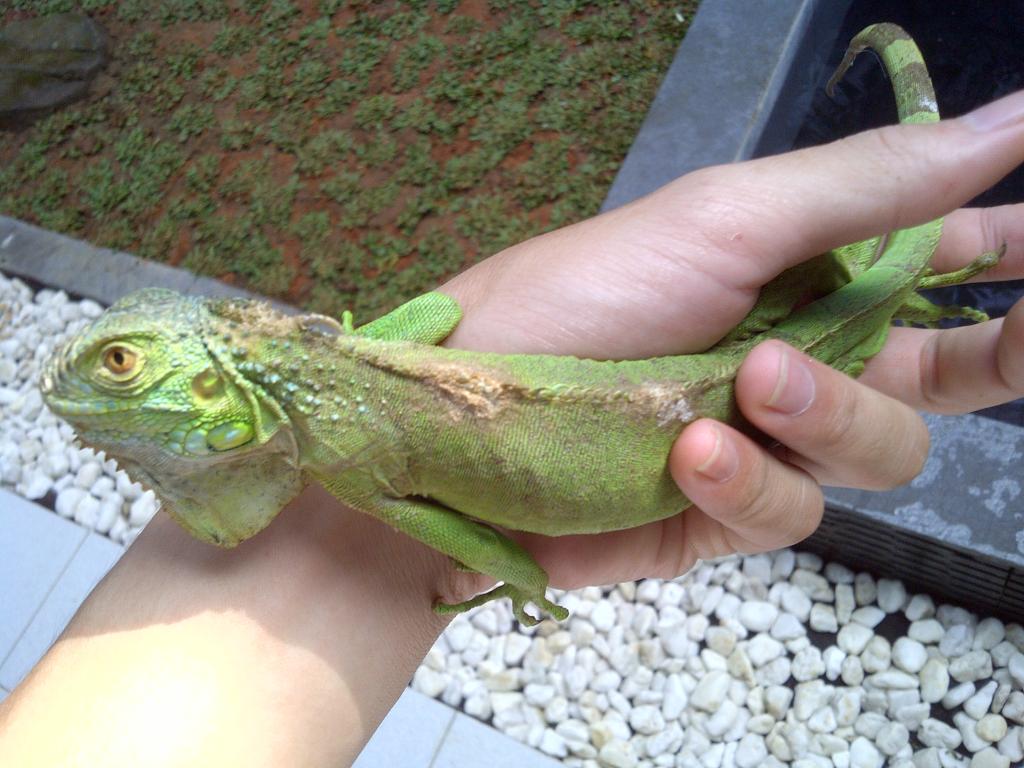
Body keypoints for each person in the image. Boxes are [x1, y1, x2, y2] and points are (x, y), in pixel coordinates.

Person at [3, 90, 1024, 766]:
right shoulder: (350, 397)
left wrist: (516, 585)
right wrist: (363, 344)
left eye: (124, 367)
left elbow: (476, 546)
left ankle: (898, 286)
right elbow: (442, 320)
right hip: (707, 400)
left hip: (675, 441)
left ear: (224, 389)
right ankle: (897, 288)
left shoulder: (355, 471)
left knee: (814, 353)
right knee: (820, 342)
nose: (103, 385)